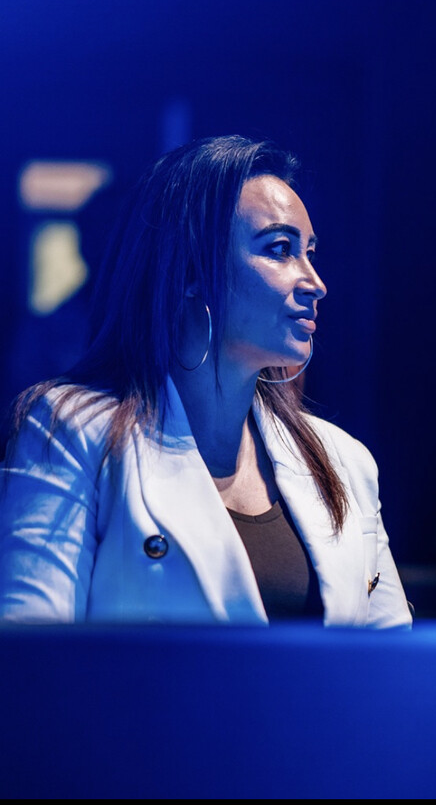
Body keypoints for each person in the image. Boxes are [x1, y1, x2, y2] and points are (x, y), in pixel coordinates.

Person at [0, 134, 412, 629]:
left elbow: (393, 669)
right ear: (191, 269)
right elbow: (31, 656)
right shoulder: (72, 430)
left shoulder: (345, 460)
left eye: (310, 251)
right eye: (280, 249)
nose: (314, 281)